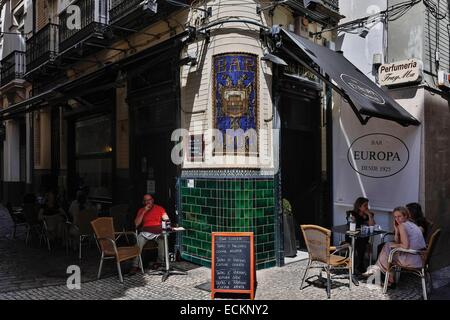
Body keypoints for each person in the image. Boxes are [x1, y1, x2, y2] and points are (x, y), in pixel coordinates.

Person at [363, 207, 426, 288]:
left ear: (405, 216)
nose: (397, 219)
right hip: (419, 258)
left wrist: (392, 245)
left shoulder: (402, 226)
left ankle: (385, 276)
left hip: (410, 260)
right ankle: (387, 277)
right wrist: (396, 230)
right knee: (387, 249)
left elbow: (405, 246)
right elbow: (399, 242)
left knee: (387, 248)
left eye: (399, 216)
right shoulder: (412, 225)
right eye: (395, 217)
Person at [130, 194, 170, 274]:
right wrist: (144, 211)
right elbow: (136, 224)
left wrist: (165, 221)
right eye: (146, 200)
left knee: (163, 239)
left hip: (157, 232)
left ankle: (159, 262)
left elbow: (166, 218)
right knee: (139, 241)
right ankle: (135, 265)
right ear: (143, 202)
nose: (148, 202)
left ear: (153, 200)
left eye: (149, 200)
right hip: (145, 232)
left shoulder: (159, 208)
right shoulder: (141, 210)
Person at [347, 197, 375, 273]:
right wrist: (351, 220)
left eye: (367, 205)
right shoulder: (352, 213)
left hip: (363, 238)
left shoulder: (369, 215)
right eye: (365, 205)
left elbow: (372, 226)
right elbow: (350, 224)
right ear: (359, 206)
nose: (367, 207)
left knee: (362, 242)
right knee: (361, 243)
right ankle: (358, 265)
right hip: (352, 237)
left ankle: (359, 265)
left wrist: (369, 215)